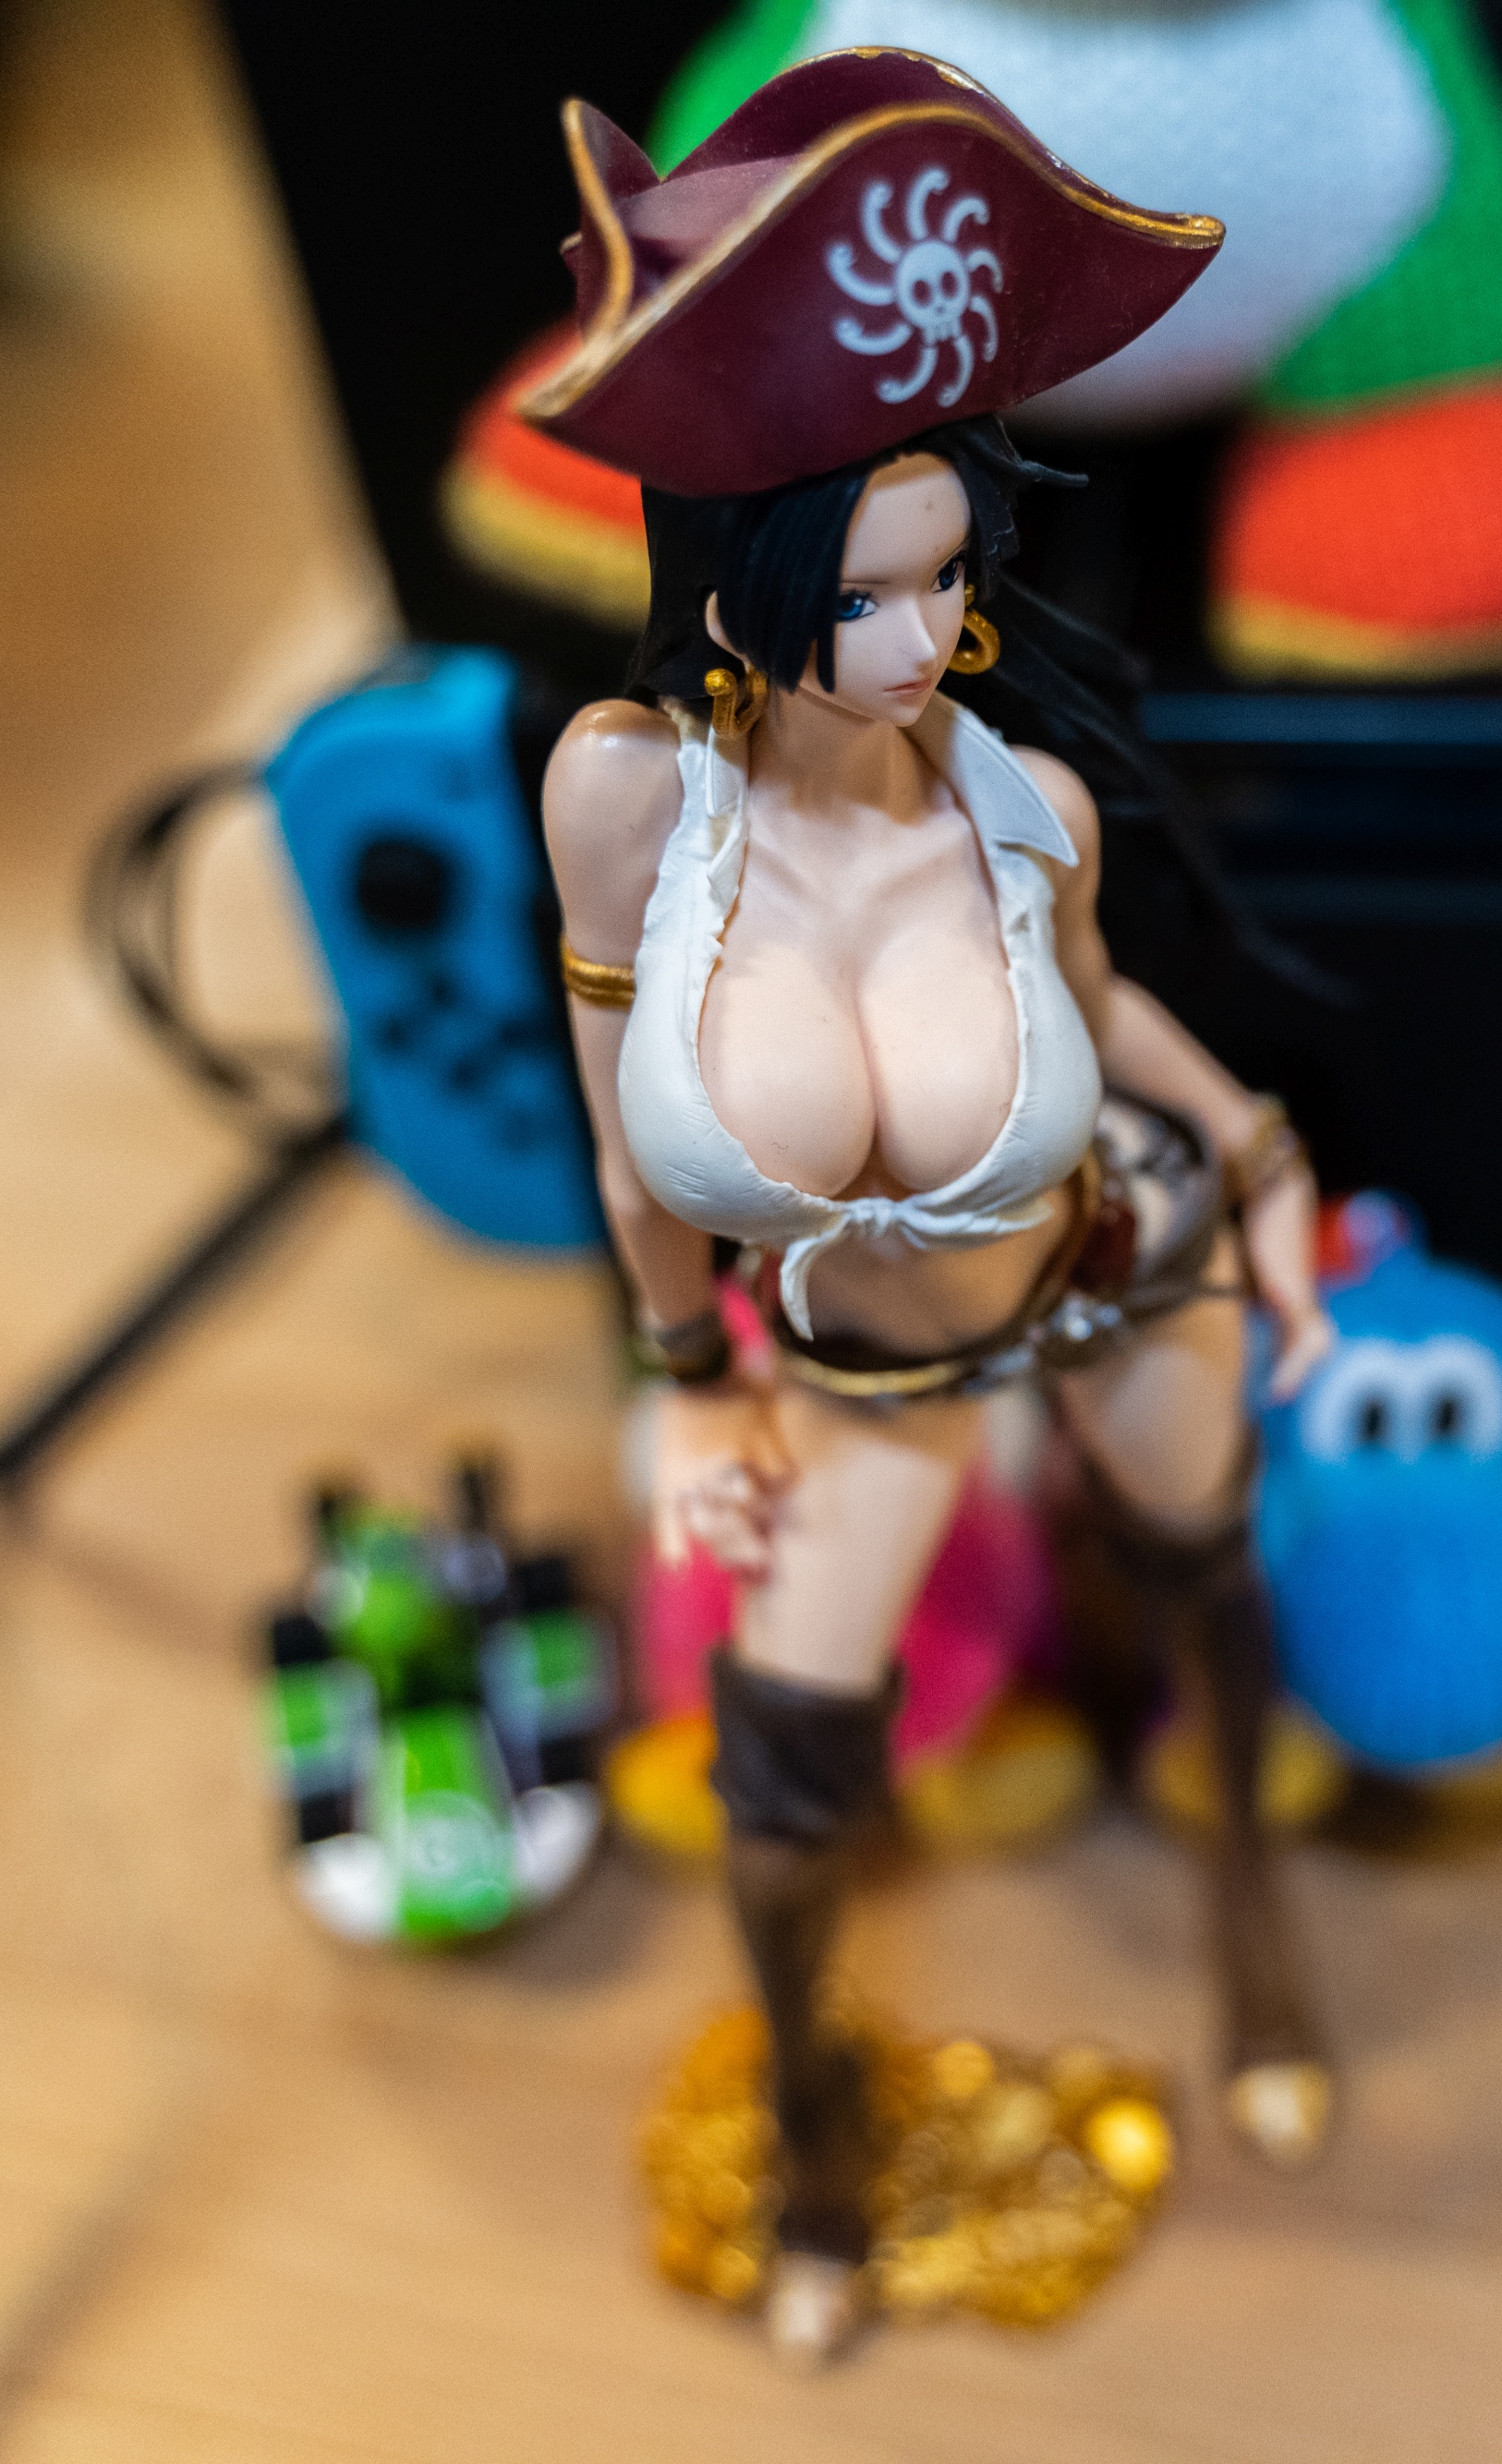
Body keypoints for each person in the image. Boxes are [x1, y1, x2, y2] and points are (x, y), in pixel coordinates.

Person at [521, 52, 1338, 2365]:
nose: (922, 635)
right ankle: (815, 2151)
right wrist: (681, 1380)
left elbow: (1108, 1004)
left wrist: (1258, 1151)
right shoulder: (629, 802)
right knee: (784, 1785)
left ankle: (1257, 1934)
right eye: (864, 591)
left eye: (947, 575)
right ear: (744, 580)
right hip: (867, 1377)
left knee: (1211, 1596)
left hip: (1114, 1260)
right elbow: (624, 1139)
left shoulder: (1018, 801)